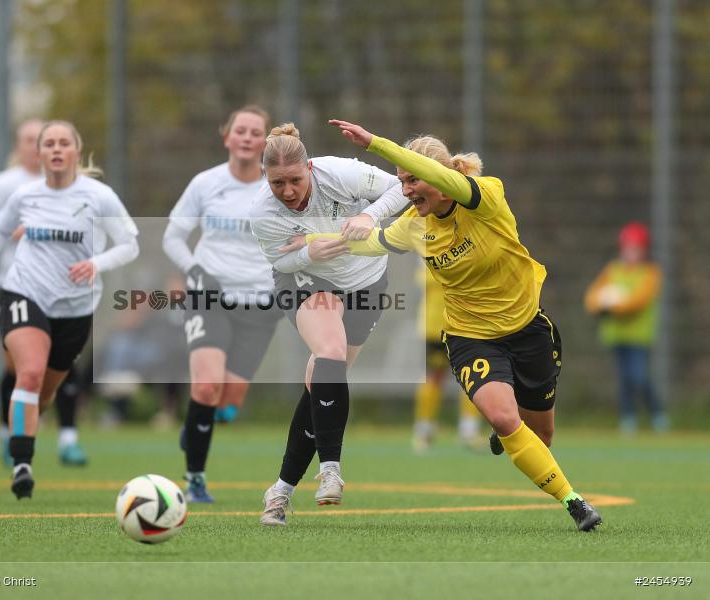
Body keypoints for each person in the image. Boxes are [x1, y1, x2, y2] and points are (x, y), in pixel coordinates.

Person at [301, 118, 602, 532]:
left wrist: (375, 143)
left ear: (439, 178)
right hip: (469, 336)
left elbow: (445, 181)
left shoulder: (486, 197)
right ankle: (575, 502)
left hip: (528, 329)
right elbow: (368, 243)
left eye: (412, 180)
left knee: (542, 435)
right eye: (401, 183)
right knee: (502, 418)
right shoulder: (414, 225)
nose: (405, 191)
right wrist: (307, 241)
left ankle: (513, 433)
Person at [250, 123, 409, 525]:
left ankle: (280, 491)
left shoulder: (338, 173)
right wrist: (310, 255)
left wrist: (371, 215)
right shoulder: (263, 214)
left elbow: (400, 187)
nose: (287, 192)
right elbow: (280, 261)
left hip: (367, 282)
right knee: (330, 352)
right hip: (307, 281)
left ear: (311, 169)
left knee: (319, 380)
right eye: (277, 183)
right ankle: (330, 469)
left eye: (295, 180)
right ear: (265, 177)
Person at [0, 120, 139, 499]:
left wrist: (97, 264)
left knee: (44, 393)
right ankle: (22, 465)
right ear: (39, 153)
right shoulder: (24, 195)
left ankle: (29, 424)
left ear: (77, 152)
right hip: (23, 292)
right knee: (27, 374)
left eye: (65, 143)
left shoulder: (99, 196)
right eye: (49, 143)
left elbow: (129, 244)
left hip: (76, 307)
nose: (57, 149)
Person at [162, 105, 283, 503]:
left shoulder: (277, 185)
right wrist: (194, 270)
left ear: (266, 141)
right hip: (209, 297)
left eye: (255, 133)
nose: (247, 138)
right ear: (227, 137)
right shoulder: (205, 183)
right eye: (240, 131)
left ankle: (197, 421)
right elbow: (172, 237)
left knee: (227, 404)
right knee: (207, 384)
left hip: (261, 304)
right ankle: (195, 479)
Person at [0, 119, 91, 467]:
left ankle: (69, 438)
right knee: (20, 369)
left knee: (64, 365)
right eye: (31, 140)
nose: (49, 148)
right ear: (28, 146)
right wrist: (12, 232)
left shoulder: (78, 188)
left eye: (59, 142)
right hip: (16, 286)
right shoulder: (6, 185)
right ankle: (10, 435)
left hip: (67, 290)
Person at [584, 222, 666, 433]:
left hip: (639, 336)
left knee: (639, 376)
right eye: (627, 248)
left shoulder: (650, 273)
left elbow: (638, 301)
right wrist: (598, 306)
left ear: (644, 250)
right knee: (623, 379)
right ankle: (628, 418)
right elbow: (593, 296)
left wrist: (613, 307)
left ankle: (657, 414)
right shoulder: (613, 270)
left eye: (635, 249)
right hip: (616, 336)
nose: (630, 253)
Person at [413, 266, 482, 452]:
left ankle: (469, 430)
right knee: (434, 377)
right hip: (437, 325)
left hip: (463, 325)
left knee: (472, 376)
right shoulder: (430, 246)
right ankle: (424, 430)